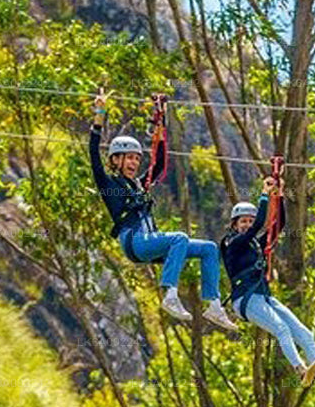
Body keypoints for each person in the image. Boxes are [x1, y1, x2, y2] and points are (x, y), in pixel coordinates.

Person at [89, 93, 238, 331]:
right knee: (179, 237)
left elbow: (158, 165)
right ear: (115, 160)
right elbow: (94, 156)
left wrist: (161, 120)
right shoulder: (110, 185)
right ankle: (170, 294)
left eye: (136, 159)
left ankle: (213, 304)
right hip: (135, 242)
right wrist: (99, 116)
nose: (133, 163)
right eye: (128, 158)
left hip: (150, 242)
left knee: (209, 249)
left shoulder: (140, 185)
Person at [221, 179, 315, 400]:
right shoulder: (233, 244)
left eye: (249, 221)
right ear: (234, 225)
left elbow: (276, 226)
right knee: (281, 330)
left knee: (305, 334)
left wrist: (278, 197)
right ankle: (300, 371)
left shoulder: (253, 244)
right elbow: (260, 223)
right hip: (245, 300)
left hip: (263, 297)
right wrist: (263, 194)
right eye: (243, 221)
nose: (248, 225)